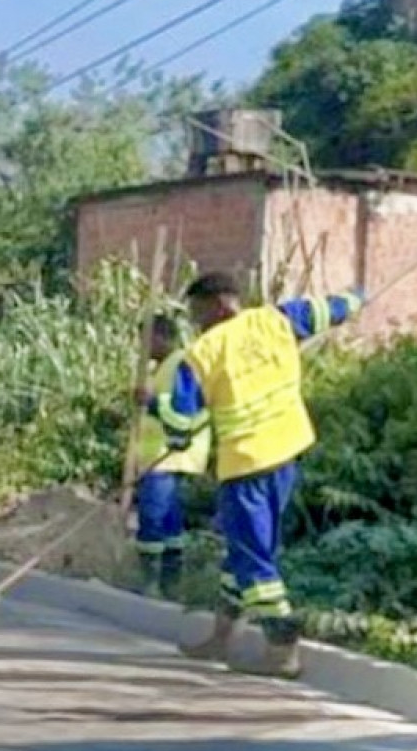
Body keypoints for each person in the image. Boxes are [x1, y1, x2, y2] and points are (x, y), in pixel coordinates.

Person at [154, 273, 366, 679]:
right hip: (286, 455)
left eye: (199, 314)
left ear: (219, 305)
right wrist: (357, 298)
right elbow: (332, 308)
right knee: (244, 550)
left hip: (247, 464)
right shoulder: (278, 319)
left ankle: (282, 647)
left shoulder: (203, 353)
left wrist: (175, 434)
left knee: (253, 558)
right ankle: (222, 637)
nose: (197, 324)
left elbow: (179, 419)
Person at [131, 312, 212, 600]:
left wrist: (151, 403)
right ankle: (170, 581)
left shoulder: (180, 365)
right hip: (161, 456)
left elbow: (183, 417)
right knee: (168, 518)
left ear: (161, 337)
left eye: (145, 341)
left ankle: (152, 581)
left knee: (153, 515)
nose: (142, 349)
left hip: (169, 454)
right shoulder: (163, 368)